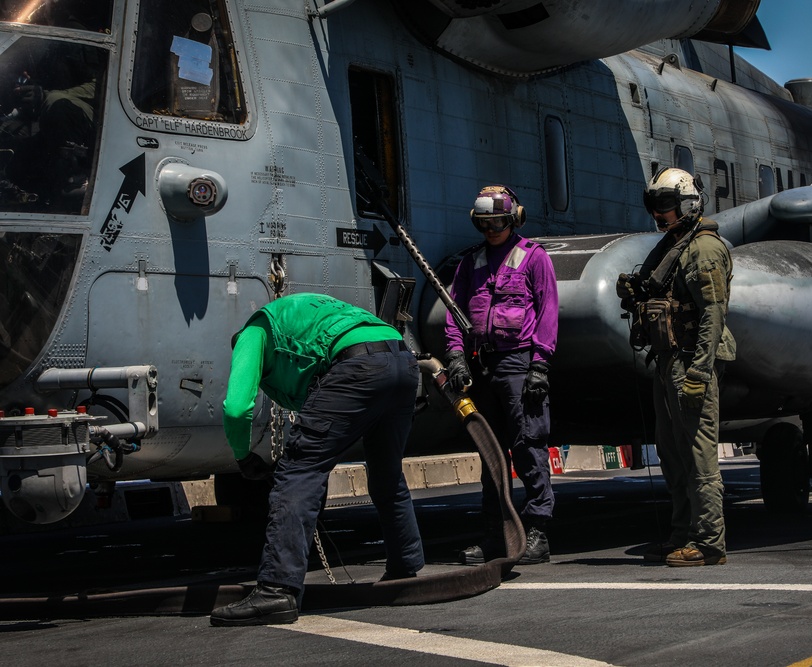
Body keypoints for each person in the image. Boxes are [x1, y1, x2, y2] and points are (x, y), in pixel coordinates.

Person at [210, 293, 424, 626]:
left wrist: (243, 456)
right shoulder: (303, 318)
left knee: (297, 471)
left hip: (357, 366)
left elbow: (237, 408)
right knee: (387, 474)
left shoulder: (252, 334)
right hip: (401, 361)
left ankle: (276, 591)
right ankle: (404, 570)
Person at [617, 167, 736, 567]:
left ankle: (709, 542)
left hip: (691, 361)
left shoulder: (703, 249)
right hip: (669, 360)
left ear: (687, 202)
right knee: (672, 453)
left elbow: (712, 316)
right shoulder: (673, 245)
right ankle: (683, 532)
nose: (659, 213)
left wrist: (700, 373)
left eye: (666, 205)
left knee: (699, 455)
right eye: (655, 205)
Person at [444, 185, 559, 565]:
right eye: (484, 223)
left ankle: (538, 532)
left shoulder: (534, 258)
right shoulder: (470, 263)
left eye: (498, 222)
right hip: (482, 366)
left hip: (518, 363)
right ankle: (496, 537)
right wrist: (457, 356)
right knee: (490, 454)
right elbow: (454, 314)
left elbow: (547, 312)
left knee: (527, 446)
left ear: (513, 220)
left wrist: (540, 363)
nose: (491, 229)